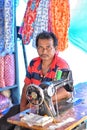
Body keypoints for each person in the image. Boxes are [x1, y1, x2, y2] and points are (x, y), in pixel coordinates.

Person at [20, 31, 72, 112]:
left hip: (55, 105)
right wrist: (22, 108)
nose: (44, 51)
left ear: (55, 48)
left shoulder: (61, 66)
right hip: (35, 103)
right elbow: (26, 86)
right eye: (41, 47)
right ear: (37, 48)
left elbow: (65, 92)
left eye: (48, 47)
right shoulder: (33, 63)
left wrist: (40, 100)